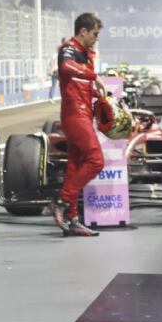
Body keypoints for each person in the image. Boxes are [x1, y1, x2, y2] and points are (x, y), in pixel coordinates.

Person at [48, 13, 106, 238]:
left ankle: (72, 219)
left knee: (74, 167)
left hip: (83, 114)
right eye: (94, 33)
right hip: (75, 116)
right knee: (96, 161)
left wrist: (97, 92)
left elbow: (79, 85)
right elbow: (65, 69)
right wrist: (94, 76)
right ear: (83, 31)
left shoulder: (86, 53)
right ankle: (62, 202)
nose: (96, 38)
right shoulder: (68, 48)